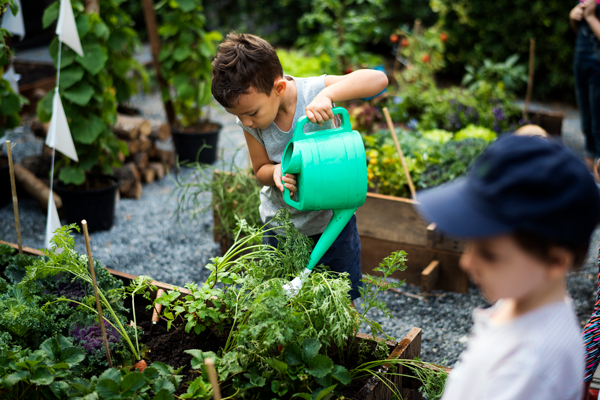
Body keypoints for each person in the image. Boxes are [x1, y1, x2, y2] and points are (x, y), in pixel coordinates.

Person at [414, 135, 600, 400]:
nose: (466, 262)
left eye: (489, 255)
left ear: (556, 262)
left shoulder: (527, 371)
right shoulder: (525, 302)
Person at [210, 32, 388, 301]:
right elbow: (259, 170)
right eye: (238, 116)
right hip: (282, 231)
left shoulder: (313, 92)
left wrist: (328, 95)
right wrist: (276, 172)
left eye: (251, 113)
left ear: (278, 88)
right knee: (287, 305)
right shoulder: (252, 123)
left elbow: (379, 80)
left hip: (333, 224)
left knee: (339, 302)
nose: (246, 122)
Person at [571, 0, 600, 177]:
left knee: (598, 124)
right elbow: (579, 32)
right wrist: (573, 18)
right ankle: (591, 184)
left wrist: (590, 17)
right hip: (581, 63)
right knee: (587, 124)